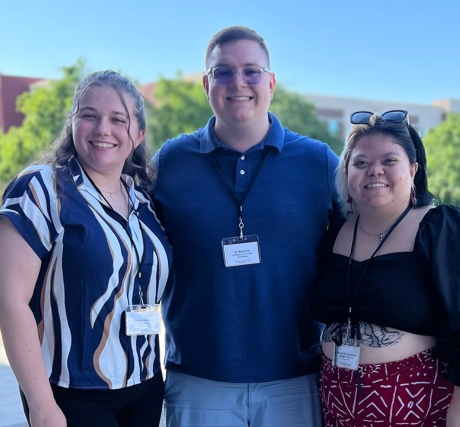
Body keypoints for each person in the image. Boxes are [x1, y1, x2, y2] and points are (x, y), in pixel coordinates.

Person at [152, 26, 340, 427]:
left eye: (251, 71)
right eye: (223, 72)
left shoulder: (319, 162)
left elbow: (367, 242)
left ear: (271, 82)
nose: (238, 82)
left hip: (295, 377)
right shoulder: (171, 162)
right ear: (206, 84)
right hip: (199, 380)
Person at [0, 70, 172, 427]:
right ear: (73, 123)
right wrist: (41, 405)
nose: (103, 128)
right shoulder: (41, 190)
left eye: (118, 119)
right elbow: (7, 301)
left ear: (138, 135)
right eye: (89, 115)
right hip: (72, 393)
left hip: (145, 384)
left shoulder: (143, 202)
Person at [310, 110, 460, 427]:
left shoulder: (444, 228)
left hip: (430, 407)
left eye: (389, 161)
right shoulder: (334, 232)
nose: (374, 170)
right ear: (347, 172)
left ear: (413, 169)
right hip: (341, 407)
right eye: (361, 162)